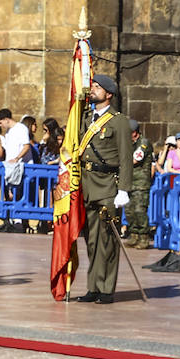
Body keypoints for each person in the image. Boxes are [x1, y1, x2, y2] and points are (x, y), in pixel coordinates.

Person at [75, 74, 132, 304]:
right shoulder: (86, 118)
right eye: (93, 86)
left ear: (108, 94)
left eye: (98, 87)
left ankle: (107, 288)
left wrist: (124, 189)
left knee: (107, 240)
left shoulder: (118, 121)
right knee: (91, 240)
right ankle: (93, 287)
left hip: (109, 186)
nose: (93, 90)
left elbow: (126, 157)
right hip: (88, 186)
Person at [128, 117, 156, 242]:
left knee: (140, 210)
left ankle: (143, 237)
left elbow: (135, 160)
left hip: (140, 183)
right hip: (130, 181)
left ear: (134, 132)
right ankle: (134, 236)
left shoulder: (143, 143)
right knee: (129, 211)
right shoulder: (129, 144)